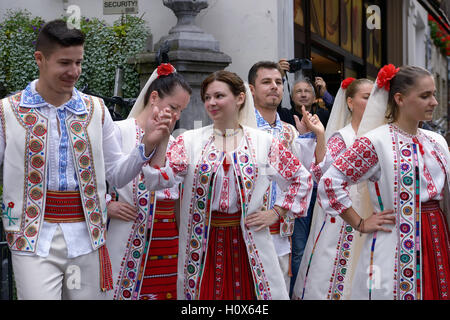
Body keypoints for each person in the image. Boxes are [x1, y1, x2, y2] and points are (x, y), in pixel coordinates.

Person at [0, 19, 171, 300]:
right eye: (65, 63)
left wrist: (148, 143)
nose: (74, 71)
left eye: (78, 62)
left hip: (88, 235)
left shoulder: (96, 110)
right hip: (31, 238)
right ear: (39, 59)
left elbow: (117, 174)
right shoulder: (8, 112)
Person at [143, 70, 314, 300]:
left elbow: (301, 179)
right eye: (207, 97)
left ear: (240, 98)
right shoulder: (190, 141)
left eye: (219, 96)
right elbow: (158, 180)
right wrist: (162, 139)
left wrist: (276, 213)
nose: (211, 102)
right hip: (203, 244)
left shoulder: (263, 143)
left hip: (249, 241)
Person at [318, 64, 450, 300]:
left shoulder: (436, 141)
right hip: (394, 240)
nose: (434, 102)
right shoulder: (376, 141)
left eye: (433, 94)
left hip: (436, 235)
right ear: (399, 98)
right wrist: (359, 223)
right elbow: (330, 182)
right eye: (425, 95)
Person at [106, 63, 192, 300]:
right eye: (173, 107)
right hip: (125, 231)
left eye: (181, 111)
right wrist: (105, 204)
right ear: (154, 97)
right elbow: (88, 176)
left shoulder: (176, 144)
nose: (176, 116)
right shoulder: (118, 131)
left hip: (166, 238)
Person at [292, 77, 374, 300]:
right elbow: (322, 172)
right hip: (345, 214)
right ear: (350, 102)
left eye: (375, 97)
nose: (373, 101)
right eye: (366, 97)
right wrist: (320, 135)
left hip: (373, 211)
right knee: (338, 268)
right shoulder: (343, 137)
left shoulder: (380, 135)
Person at [247, 60, 325, 293]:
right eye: (266, 82)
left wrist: (318, 135)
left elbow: (313, 173)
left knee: (280, 289)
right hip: (249, 227)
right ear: (251, 89)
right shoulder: (240, 128)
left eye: (279, 82)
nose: (274, 87)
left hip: (282, 231)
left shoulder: (289, 131)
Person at [277, 59, 335, 128]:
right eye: (299, 91)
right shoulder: (285, 115)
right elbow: (273, 105)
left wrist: (325, 94)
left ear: (314, 98)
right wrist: (279, 77)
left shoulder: (321, 115)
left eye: (307, 91)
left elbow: (338, 112)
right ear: (292, 97)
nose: (303, 95)